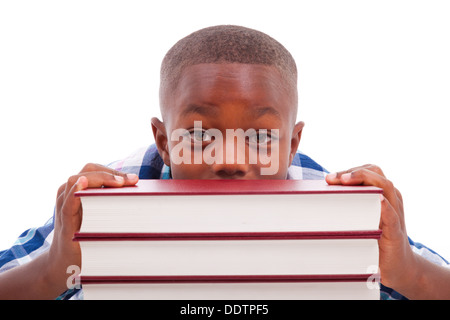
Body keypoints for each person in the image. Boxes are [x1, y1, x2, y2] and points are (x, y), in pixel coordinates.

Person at [0, 25, 449, 300]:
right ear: (163, 141)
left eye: (260, 137)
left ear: (292, 145)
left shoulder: (331, 199)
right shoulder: (108, 198)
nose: (231, 161)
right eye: (199, 135)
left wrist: (407, 270)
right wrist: (52, 269)